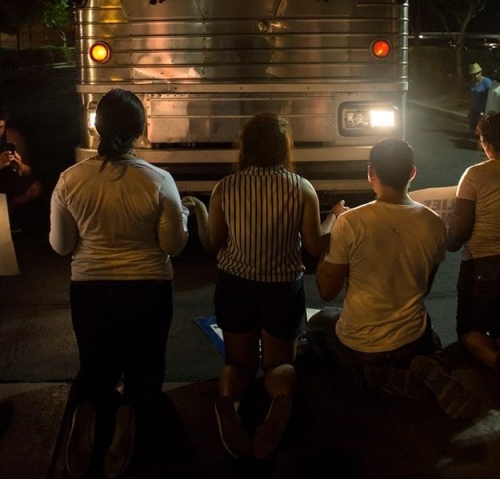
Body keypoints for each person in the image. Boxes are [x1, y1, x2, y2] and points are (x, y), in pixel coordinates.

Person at [49, 88, 190, 479]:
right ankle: (131, 415)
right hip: (148, 289)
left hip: (90, 289)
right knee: (145, 370)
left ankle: (88, 411)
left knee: (96, 366)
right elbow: (172, 246)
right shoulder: (159, 181)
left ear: (96, 128)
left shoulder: (70, 180)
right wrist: (185, 222)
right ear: (141, 131)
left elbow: (61, 246)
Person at [186, 112, 331, 460]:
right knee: (280, 364)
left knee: (238, 363)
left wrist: (202, 213)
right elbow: (314, 247)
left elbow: (213, 243)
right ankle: (279, 403)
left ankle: (228, 404)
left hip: (235, 285)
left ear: (246, 147)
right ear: (284, 148)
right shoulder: (301, 188)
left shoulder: (227, 186)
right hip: (282, 287)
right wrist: (334, 219)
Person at [306, 137, 481, 421]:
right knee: (432, 337)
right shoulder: (435, 223)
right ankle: (425, 366)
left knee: (319, 324)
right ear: (412, 173)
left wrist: (332, 238)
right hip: (412, 342)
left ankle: (368, 375)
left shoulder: (351, 222)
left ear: (370, 172)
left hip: (360, 348)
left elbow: (327, 290)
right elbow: (424, 287)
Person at [447, 112, 500, 373]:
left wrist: (449, 242)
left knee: (470, 330)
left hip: (483, 265)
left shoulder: (475, 175)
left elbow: (461, 228)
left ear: (486, 143)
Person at [0, 108, 44, 232]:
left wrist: (20, 166)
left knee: (35, 187)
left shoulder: (12, 136)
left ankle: (8, 214)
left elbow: (28, 170)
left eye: (0, 128)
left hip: (7, 180)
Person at [468, 62, 492, 137]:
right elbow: (471, 96)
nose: (476, 75)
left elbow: (492, 95)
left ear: (481, 72)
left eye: (477, 73)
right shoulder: (473, 82)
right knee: (472, 131)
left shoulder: (486, 82)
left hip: (482, 110)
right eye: (474, 74)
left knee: (481, 131)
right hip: (473, 109)